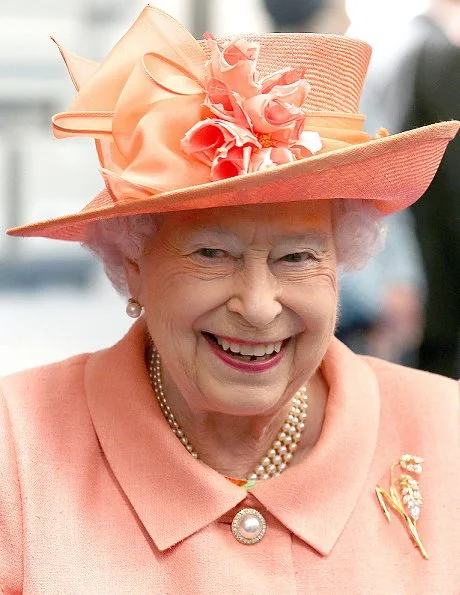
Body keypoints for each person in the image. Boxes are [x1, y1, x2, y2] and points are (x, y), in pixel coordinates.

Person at [1, 6, 459, 593]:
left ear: (341, 261)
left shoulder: (448, 431)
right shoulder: (16, 447)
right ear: (133, 263)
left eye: (298, 257)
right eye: (212, 254)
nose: (260, 305)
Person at [360, 0, 460, 376]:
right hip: (435, 270)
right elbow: (452, 185)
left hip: (398, 254)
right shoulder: (441, 57)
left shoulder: (393, 48)